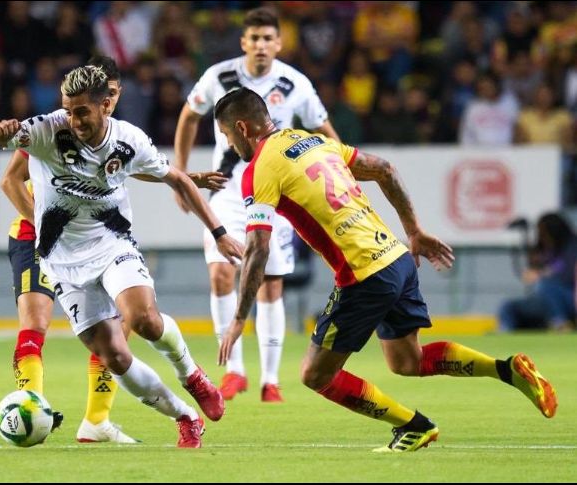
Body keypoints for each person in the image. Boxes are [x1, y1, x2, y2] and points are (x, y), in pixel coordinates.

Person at [214, 87, 557, 452]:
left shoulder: (260, 169)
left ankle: (414, 425)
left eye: (227, 137)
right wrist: (413, 230)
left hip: (363, 275)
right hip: (396, 258)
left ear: (242, 127)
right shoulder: (314, 142)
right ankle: (508, 369)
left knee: (315, 375)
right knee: (409, 361)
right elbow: (384, 169)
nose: (231, 145)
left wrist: (238, 318)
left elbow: (257, 247)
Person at [0, 65, 243, 448]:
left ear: (107, 105)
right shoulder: (47, 130)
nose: (73, 119)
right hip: (62, 261)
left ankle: (192, 375)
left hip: (113, 245)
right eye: (68, 109)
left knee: (143, 319)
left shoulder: (128, 139)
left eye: (82, 111)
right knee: (114, 356)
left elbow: (174, 178)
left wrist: (220, 232)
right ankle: (185, 415)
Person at [174, 7, 341, 403]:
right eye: (255, 39)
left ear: (279, 43)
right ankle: (233, 372)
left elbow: (323, 128)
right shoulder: (219, 76)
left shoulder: (294, 82)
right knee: (220, 275)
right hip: (227, 190)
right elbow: (187, 116)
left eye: (269, 39)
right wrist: (180, 177)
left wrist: (339, 171)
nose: (262, 46)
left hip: (276, 191)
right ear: (243, 43)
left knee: (269, 283)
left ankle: (270, 380)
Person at [498, 213, 577, 332]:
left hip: (569, 296)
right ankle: (505, 332)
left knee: (548, 285)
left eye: (543, 232)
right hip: (545, 301)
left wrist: (541, 274)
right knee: (508, 306)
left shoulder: (572, 246)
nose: (541, 235)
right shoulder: (545, 249)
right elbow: (533, 272)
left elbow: (569, 274)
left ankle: (560, 322)